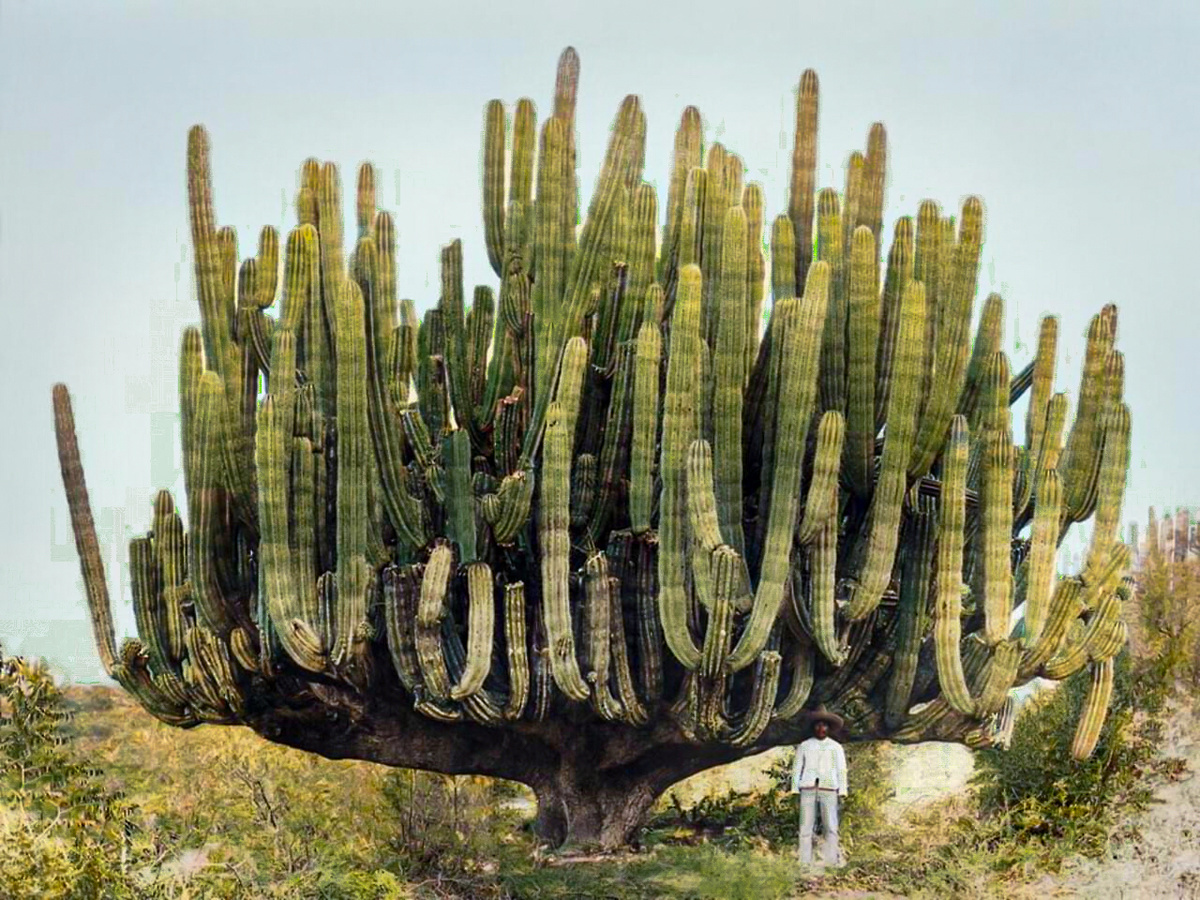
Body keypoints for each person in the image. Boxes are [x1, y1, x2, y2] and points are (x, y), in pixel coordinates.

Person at [790, 705, 847, 868]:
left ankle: (831, 860)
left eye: (824, 725)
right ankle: (804, 862)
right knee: (806, 826)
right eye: (818, 725)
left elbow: (841, 770)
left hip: (828, 789)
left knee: (831, 826)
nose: (821, 728)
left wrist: (842, 790)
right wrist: (795, 788)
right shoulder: (805, 745)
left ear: (829, 728)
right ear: (813, 727)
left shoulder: (835, 747)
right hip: (808, 788)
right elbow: (797, 768)